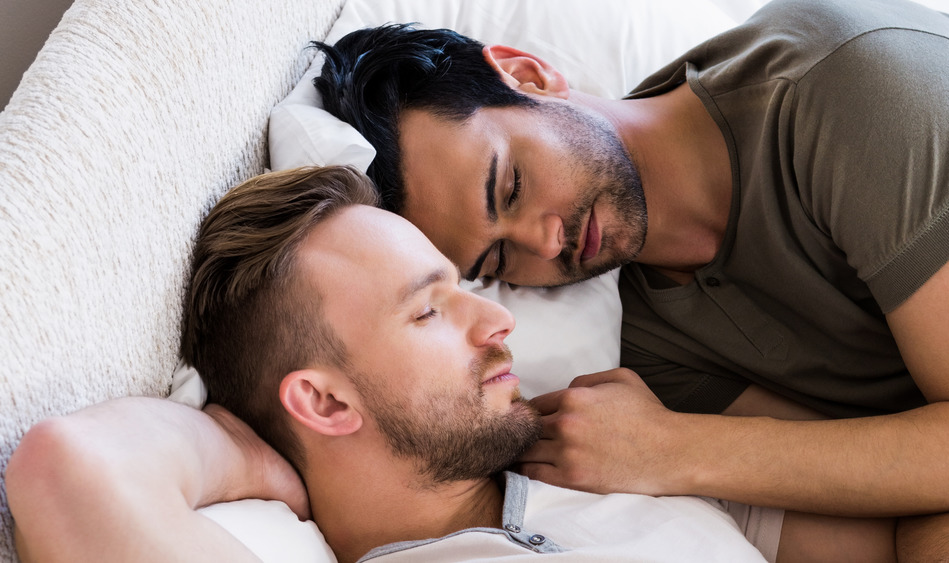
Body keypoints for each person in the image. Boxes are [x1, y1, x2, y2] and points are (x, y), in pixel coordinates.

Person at [310, 0, 949, 555]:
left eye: (512, 186)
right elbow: (897, 477)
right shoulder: (640, 334)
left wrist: (671, 448)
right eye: (496, 261)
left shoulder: (855, 86)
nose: (546, 241)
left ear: (527, 74)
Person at [9, 166, 829, 562]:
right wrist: (246, 453)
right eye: (430, 309)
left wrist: (679, 452)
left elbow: (908, 520)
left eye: (464, 283)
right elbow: (64, 467)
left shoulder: (614, 459)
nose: (498, 317)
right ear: (324, 403)